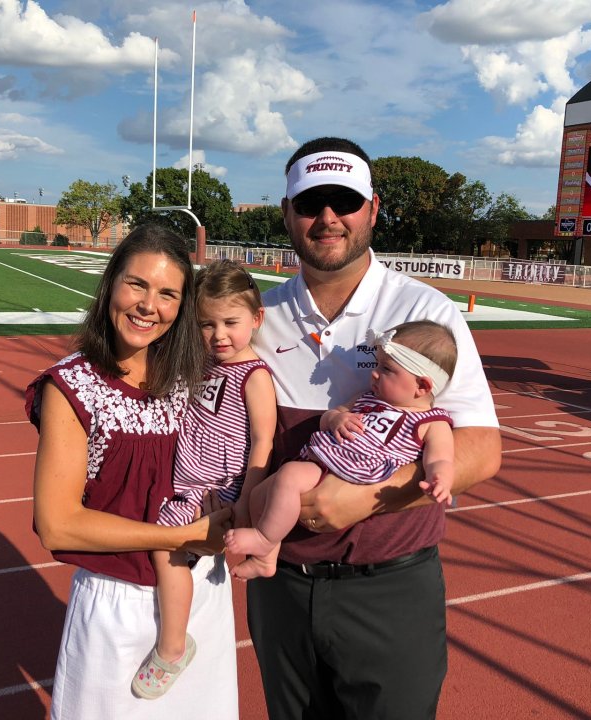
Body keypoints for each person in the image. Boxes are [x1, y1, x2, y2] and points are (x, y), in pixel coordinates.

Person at [247, 137, 502, 720]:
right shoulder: (258, 316)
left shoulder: (428, 312)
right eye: (311, 203)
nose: (329, 218)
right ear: (287, 212)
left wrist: (363, 499)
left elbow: (482, 451)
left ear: (373, 208)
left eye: (345, 201)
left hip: (390, 587)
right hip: (281, 583)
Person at [25, 224, 238, 720]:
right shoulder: (71, 384)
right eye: (137, 284)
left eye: (167, 294)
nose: (149, 305)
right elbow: (57, 523)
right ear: (110, 284)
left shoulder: (198, 374)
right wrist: (181, 535)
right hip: (118, 606)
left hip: (201, 595)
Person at [134, 259, 276, 699]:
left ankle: (173, 646)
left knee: (165, 545)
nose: (218, 335)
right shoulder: (204, 365)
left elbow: (263, 443)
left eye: (231, 323)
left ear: (256, 319)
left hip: (220, 488)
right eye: (206, 324)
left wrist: (244, 505)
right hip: (187, 479)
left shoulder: (254, 376)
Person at [226, 320, 456, 579]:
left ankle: (264, 538)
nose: (375, 373)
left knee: (289, 477)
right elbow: (333, 414)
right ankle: (266, 560)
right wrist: (336, 419)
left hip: (351, 474)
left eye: (387, 369)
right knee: (260, 495)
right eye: (377, 364)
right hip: (325, 460)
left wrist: (440, 479)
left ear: (422, 387)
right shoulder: (366, 398)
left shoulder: (431, 422)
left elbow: (441, 458)